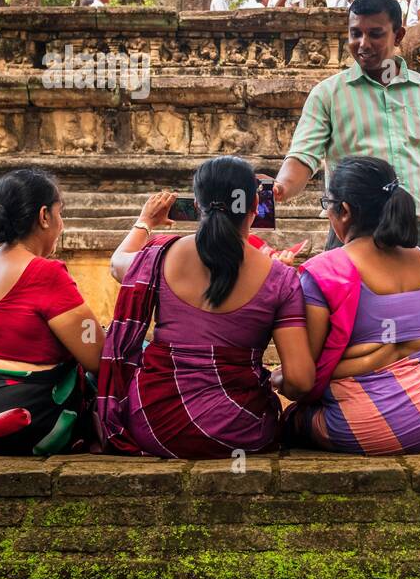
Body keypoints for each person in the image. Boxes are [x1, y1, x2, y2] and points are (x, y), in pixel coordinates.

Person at [98, 157, 315, 458]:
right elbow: (301, 381)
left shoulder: (158, 256)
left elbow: (117, 264)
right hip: (240, 428)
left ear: (197, 206)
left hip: (154, 421)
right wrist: (274, 378)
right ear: (255, 204)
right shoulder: (281, 279)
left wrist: (145, 222)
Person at [274, 0, 420, 343]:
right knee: (338, 333)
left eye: (375, 33)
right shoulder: (328, 94)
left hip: (415, 229)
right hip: (349, 228)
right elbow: (303, 159)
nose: (363, 43)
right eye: (355, 33)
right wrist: (280, 187)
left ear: (398, 35)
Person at [281, 156, 420, 454]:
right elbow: (403, 342)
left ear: (345, 211)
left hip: (365, 425)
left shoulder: (325, 270)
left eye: (328, 205)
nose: (327, 215)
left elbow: (304, 379)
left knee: (289, 420)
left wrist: (283, 380)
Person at [0, 170, 101, 454]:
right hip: (29, 408)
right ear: (44, 216)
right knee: (109, 369)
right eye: (59, 212)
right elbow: (97, 358)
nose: (60, 223)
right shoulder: (44, 273)